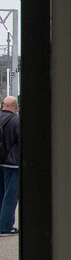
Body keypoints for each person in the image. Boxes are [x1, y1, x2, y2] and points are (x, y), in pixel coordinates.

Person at [0, 96, 20, 236]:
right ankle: (6, 226)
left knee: (1, 193)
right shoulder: (16, 120)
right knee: (10, 195)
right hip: (12, 163)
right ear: (16, 107)